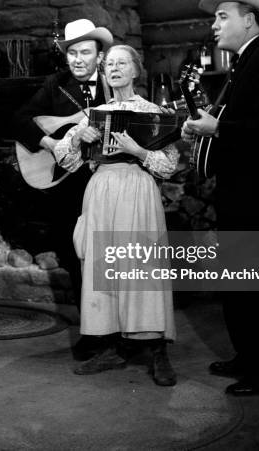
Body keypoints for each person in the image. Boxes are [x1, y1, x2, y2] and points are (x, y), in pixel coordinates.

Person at [182, 0, 259, 396]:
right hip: (240, 193)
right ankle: (248, 357)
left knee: (258, 286)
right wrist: (203, 126)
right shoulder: (244, 64)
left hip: (258, 195)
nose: (214, 25)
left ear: (250, 21)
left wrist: (218, 127)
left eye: (223, 16)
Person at [54, 44, 178, 385]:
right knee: (103, 268)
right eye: (109, 64)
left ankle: (157, 349)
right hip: (102, 190)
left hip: (137, 189)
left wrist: (136, 150)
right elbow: (66, 158)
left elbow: (168, 166)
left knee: (142, 268)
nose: (115, 68)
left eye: (122, 63)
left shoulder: (153, 112)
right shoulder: (94, 113)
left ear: (136, 70)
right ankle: (112, 345)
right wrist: (80, 135)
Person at [14, 19, 112, 361]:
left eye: (86, 52)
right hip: (68, 187)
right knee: (75, 258)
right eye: (72, 53)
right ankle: (91, 330)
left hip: (106, 184)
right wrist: (51, 144)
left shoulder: (114, 86)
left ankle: (118, 329)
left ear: (100, 56)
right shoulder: (55, 85)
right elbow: (20, 119)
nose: (78, 59)